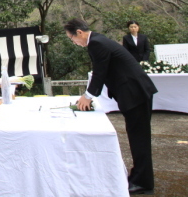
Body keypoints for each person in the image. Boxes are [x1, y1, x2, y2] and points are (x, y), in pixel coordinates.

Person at [65, 18, 157, 195]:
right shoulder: (98, 40)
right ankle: (139, 177)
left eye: (72, 39)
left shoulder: (96, 44)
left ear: (79, 33)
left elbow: (100, 72)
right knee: (137, 137)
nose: (74, 43)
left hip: (135, 93)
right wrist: (88, 96)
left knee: (140, 139)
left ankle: (143, 182)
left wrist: (88, 97)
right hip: (133, 93)